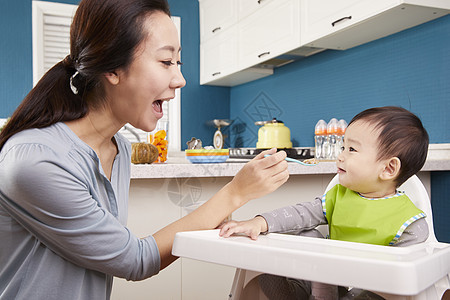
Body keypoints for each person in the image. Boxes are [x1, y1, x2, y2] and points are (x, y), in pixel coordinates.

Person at [0, 0, 290, 299]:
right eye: (166, 62)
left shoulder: (118, 148)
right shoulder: (36, 159)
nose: (180, 79)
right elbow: (134, 260)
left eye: (178, 63)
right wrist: (235, 193)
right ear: (113, 67)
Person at [219, 106, 430, 300]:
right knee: (307, 236)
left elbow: (401, 278)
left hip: (369, 289)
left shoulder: (410, 223)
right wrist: (259, 223)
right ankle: (315, 294)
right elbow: (299, 214)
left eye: (352, 150)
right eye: (343, 147)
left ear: (388, 169)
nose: (340, 156)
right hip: (327, 281)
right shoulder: (338, 195)